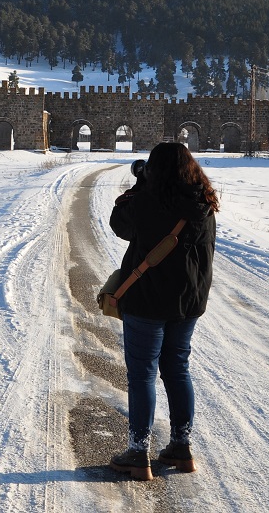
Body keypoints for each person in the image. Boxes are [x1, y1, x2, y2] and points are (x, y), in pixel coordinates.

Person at [107, 142, 218, 481]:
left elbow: (118, 223)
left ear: (154, 170)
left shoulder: (146, 200)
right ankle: (181, 447)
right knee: (177, 370)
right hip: (188, 303)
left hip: (147, 301)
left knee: (142, 375)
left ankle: (139, 453)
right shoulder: (204, 203)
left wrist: (141, 183)